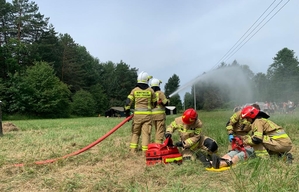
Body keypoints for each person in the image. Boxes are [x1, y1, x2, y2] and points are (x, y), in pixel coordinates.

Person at [124, 71, 157, 153]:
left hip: (137, 117)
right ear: (146, 80)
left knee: (135, 133)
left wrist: (127, 114)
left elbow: (127, 103)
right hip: (147, 117)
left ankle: (132, 150)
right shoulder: (151, 91)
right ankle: (145, 152)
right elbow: (155, 103)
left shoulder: (134, 90)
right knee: (146, 134)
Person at [150, 78, 170, 144]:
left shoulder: (151, 94)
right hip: (160, 116)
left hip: (152, 115)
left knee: (157, 130)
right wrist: (167, 100)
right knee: (160, 131)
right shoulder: (160, 93)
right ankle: (158, 146)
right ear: (158, 85)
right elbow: (165, 103)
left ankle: (161, 143)